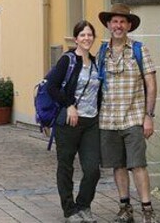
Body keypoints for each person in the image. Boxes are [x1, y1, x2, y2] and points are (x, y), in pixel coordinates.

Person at [98, 3, 158, 223]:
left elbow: (151, 84)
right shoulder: (102, 51)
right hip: (108, 119)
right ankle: (125, 207)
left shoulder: (139, 49)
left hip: (134, 117)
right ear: (108, 24)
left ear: (129, 25)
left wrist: (148, 115)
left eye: (123, 21)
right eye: (114, 21)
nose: (118, 25)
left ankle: (147, 210)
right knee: (118, 165)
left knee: (138, 165)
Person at [48, 20, 102, 223]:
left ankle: (83, 205)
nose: (86, 38)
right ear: (76, 38)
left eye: (89, 35)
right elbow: (52, 87)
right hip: (69, 123)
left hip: (91, 122)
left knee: (92, 169)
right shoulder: (67, 60)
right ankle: (70, 211)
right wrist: (69, 104)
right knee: (66, 167)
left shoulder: (96, 62)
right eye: (82, 35)